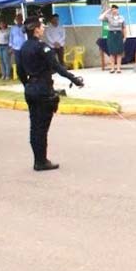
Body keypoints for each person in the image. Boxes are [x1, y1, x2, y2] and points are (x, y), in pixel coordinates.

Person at [17, 16, 85, 171]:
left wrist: (27, 85)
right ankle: (41, 161)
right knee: (42, 128)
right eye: (41, 27)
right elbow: (57, 67)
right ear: (35, 30)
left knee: (34, 127)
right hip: (43, 89)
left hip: (31, 88)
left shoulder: (23, 48)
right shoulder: (42, 47)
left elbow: (20, 71)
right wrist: (74, 79)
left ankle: (38, 159)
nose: (43, 29)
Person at [99, 5, 127, 73]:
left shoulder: (122, 17)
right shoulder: (109, 17)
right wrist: (107, 11)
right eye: (113, 9)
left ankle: (118, 68)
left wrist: (125, 36)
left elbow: (124, 28)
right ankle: (112, 68)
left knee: (119, 52)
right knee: (112, 52)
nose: (114, 10)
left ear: (118, 10)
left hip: (119, 35)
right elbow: (100, 18)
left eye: (115, 9)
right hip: (111, 35)